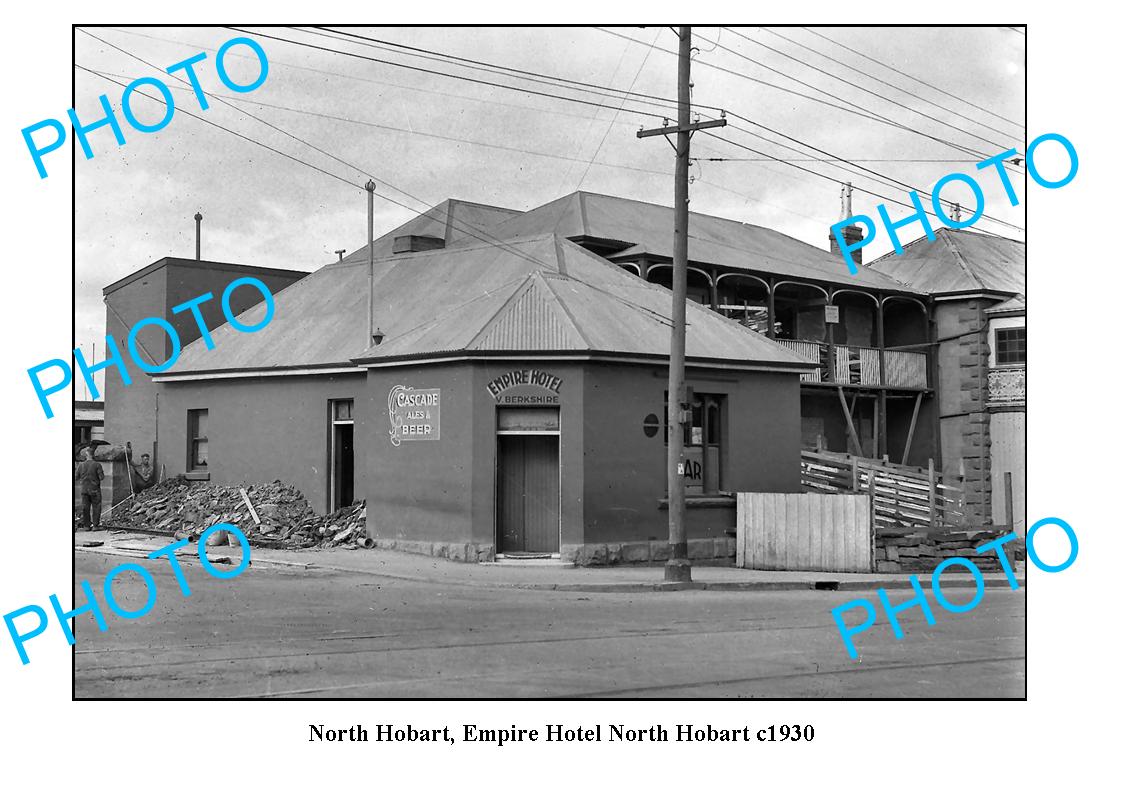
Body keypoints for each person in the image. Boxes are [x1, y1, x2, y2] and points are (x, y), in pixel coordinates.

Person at [74, 446, 105, 531]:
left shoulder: (81, 465)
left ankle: (86, 526)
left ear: (86, 455)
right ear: (93, 454)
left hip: (84, 489)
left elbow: (76, 477)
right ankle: (95, 526)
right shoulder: (97, 465)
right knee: (96, 507)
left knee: (85, 507)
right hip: (94, 489)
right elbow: (101, 477)